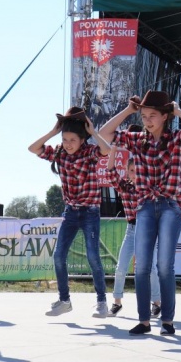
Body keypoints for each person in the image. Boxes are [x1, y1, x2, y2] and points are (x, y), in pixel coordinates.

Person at [99, 90, 181, 336]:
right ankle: (144, 321)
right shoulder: (137, 140)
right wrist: (128, 111)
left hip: (169, 205)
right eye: (144, 115)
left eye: (152, 115)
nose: (147, 120)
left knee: (164, 266)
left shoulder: (177, 138)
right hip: (144, 206)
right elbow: (104, 134)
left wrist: (178, 110)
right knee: (142, 266)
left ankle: (167, 320)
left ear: (165, 116)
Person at [29, 107, 111, 319]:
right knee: (58, 256)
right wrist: (53, 132)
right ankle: (64, 300)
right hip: (70, 212)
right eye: (65, 139)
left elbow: (107, 150)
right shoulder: (59, 152)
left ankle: (102, 302)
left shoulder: (89, 152)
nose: (68, 144)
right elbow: (32, 148)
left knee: (94, 257)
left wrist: (93, 133)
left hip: (90, 211)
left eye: (72, 139)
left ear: (82, 140)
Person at [105, 142, 162, 317]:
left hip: (148, 231)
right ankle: (117, 302)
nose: (135, 175)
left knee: (150, 268)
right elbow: (110, 172)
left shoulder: (150, 188)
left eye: (138, 171)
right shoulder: (124, 187)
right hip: (131, 230)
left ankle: (157, 303)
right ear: (127, 172)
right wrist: (113, 150)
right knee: (121, 266)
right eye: (131, 171)